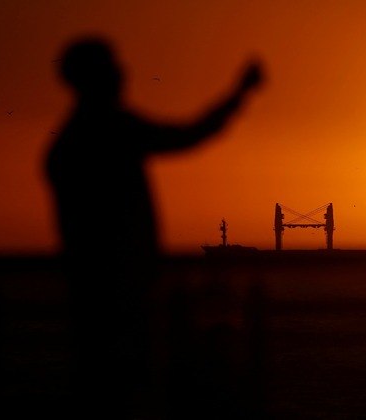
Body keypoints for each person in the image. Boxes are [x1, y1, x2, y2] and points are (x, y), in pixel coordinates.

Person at [45, 37, 263, 419]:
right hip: (121, 289)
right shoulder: (111, 130)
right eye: (112, 66)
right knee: (125, 385)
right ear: (97, 77)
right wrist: (239, 94)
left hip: (92, 290)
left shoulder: (66, 144)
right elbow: (188, 135)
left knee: (99, 382)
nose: (121, 73)